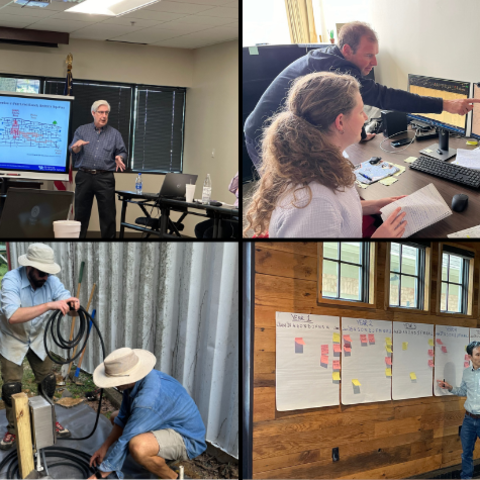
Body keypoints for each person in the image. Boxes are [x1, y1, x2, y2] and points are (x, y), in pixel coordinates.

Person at [244, 21, 480, 169]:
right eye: (369, 55)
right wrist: (446, 104)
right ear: (347, 50)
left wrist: (356, 132)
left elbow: (329, 110)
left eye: (375, 55)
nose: (374, 62)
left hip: (283, 128)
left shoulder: (331, 58)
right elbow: (383, 96)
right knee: (285, 194)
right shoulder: (338, 69)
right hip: (263, 134)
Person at [245, 71, 408, 238]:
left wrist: (372, 206)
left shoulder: (322, 163)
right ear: (340, 122)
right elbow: (311, 262)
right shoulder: (313, 203)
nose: (366, 117)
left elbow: (338, 208)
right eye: (360, 112)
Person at [0, 243, 80, 450]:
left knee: (48, 382)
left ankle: (48, 420)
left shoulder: (51, 281)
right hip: (12, 338)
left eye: (48, 272)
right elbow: (13, 316)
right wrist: (48, 305)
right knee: (11, 388)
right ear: (29, 268)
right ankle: (13, 430)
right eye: (42, 272)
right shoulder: (11, 280)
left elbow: (66, 305)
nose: (45, 276)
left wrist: (72, 306)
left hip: (37, 338)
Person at [88, 348, 206, 479]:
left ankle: (174, 477)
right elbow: (122, 418)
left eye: (114, 381)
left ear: (126, 377)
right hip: (166, 422)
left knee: (138, 447)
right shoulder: (137, 381)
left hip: (187, 437)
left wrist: (100, 475)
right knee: (115, 417)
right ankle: (157, 456)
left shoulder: (146, 401)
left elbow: (126, 437)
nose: (113, 385)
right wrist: (104, 447)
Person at [69, 100, 127, 239]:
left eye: (106, 113)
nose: (104, 116)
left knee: (108, 216)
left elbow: (122, 151)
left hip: (105, 178)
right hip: (84, 176)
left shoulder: (115, 134)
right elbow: (73, 149)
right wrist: (77, 147)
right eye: (101, 112)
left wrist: (119, 157)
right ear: (93, 113)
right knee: (81, 215)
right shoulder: (81, 130)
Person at [437, 341, 480, 479]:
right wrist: (450, 387)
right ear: (470, 357)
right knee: (466, 453)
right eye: (478, 354)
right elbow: (463, 391)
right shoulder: (467, 373)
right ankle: (466, 477)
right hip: (469, 419)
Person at [194, 172, 239, 239]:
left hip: (237, 219)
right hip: (231, 215)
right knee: (199, 228)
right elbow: (231, 188)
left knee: (209, 234)